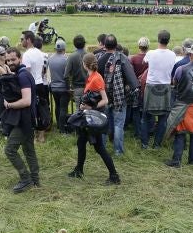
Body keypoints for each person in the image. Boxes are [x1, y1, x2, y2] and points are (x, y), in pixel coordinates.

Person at [68, 53, 120, 184]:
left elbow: (105, 100)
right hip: (88, 117)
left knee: (99, 148)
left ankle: (114, 176)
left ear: (84, 65)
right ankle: (79, 170)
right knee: (81, 143)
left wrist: (91, 108)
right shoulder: (91, 76)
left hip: (93, 118)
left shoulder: (96, 78)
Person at [165, 42, 193, 167]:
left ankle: (176, 161)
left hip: (183, 106)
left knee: (180, 133)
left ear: (191, 53)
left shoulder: (181, 69)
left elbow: (175, 82)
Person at [2, 48, 40, 193]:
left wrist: (9, 104)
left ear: (20, 59)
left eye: (13, 59)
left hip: (23, 120)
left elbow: (26, 101)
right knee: (29, 150)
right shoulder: (21, 73)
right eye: (8, 60)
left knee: (10, 150)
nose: (10, 62)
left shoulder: (23, 76)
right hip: (27, 119)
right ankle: (35, 180)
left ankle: (26, 179)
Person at [97, 34, 138, 155]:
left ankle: (102, 148)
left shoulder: (99, 58)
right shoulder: (122, 58)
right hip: (119, 97)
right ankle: (118, 151)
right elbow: (133, 81)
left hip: (103, 97)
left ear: (104, 45)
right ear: (116, 45)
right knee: (119, 124)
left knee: (103, 123)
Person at [142, 30, 176, 149]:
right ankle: (157, 144)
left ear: (158, 39)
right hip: (165, 86)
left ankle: (144, 143)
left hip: (151, 86)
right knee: (163, 118)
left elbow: (144, 62)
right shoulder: (172, 54)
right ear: (168, 40)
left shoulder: (151, 53)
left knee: (146, 116)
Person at [21, 30, 48, 143]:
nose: (21, 41)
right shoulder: (39, 52)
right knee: (41, 109)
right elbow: (43, 70)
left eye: (22, 39)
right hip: (40, 83)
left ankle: (34, 135)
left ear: (28, 40)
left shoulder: (26, 55)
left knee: (32, 110)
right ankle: (41, 135)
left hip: (31, 85)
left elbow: (26, 73)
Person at [47, 39, 70, 133]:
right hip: (63, 87)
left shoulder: (50, 58)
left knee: (57, 106)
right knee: (63, 108)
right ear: (64, 48)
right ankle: (62, 128)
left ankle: (58, 126)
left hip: (54, 87)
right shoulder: (66, 59)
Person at [64, 34, 88, 111]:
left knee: (79, 111)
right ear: (84, 44)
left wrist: (69, 88)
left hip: (77, 88)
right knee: (89, 111)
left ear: (74, 44)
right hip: (89, 88)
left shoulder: (72, 56)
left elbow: (66, 75)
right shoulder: (89, 55)